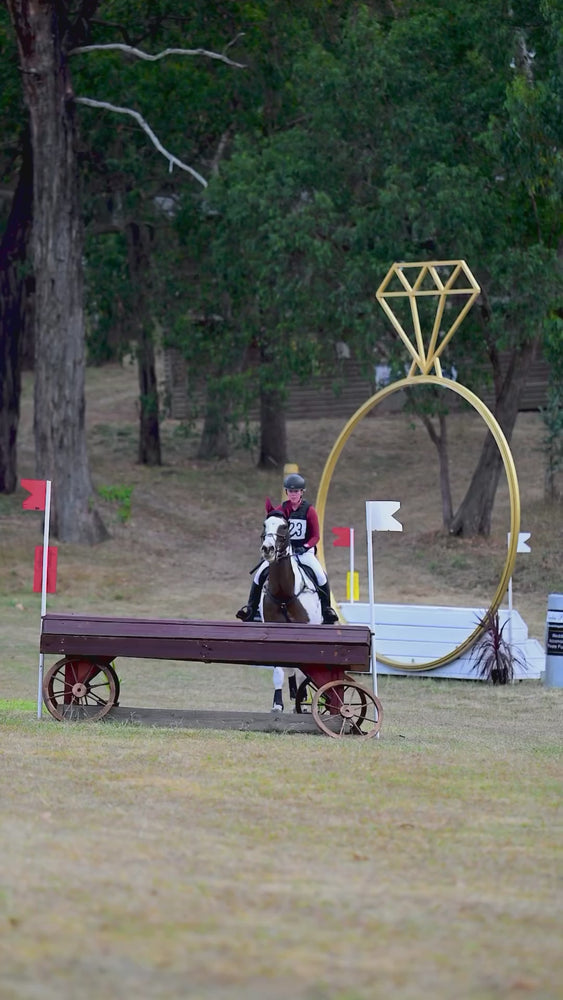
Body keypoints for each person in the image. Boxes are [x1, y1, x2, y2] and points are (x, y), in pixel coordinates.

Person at [236, 472, 339, 624]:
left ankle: (327, 610)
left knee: (320, 574)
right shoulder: (282, 509)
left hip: (304, 551)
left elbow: (316, 536)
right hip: (284, 551)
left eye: (296, 491)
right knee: (259, 574)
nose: (293, 494)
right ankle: (252, 610)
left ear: (301, 492)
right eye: (290, 491)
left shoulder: (309, 510)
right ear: (286, 492)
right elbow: (272, 523)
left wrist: (305, 547)